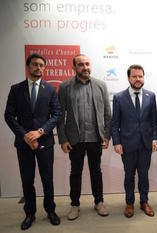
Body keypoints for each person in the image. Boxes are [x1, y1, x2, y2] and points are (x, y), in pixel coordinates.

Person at [4, 53, 62, 230]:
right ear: (28, 67)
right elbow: (9, 116)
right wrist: (25, 136)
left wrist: (40, 132)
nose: (39, 68)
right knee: (27, 180)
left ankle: (50, 210)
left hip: (45, 142)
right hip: (24, 144)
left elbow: (57, 114)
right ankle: (30, 213)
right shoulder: (16, 89)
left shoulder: (51, 89)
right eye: (35, 64)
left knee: (47, 179)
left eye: (42, 65)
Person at [57, 54, 111, 220]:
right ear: (74, 68)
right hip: (75, 139)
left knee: (96, 171)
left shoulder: (101, 85)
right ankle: (75, 205)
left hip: (96, 138)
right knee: (75, 172)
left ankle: (99, 202)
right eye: (81, 65)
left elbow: (107, 113)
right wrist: (63, 139)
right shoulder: (65, 87)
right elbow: (60, 116)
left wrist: (106, 135)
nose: (85, 67)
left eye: (87, 64)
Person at [112, 65, 157, 218]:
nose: (138, 79)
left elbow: (154, 121)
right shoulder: (119, 97)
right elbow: (115, 123)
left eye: (140, 76)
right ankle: (129, 203)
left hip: (146, 144)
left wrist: (154, 138)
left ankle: (144, 201)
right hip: (127, 144)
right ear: (128, 78)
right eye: (134, 77)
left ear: (143, 77)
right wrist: (116, 142)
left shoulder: (151, 96)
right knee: (129, 175)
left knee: (144, 175)